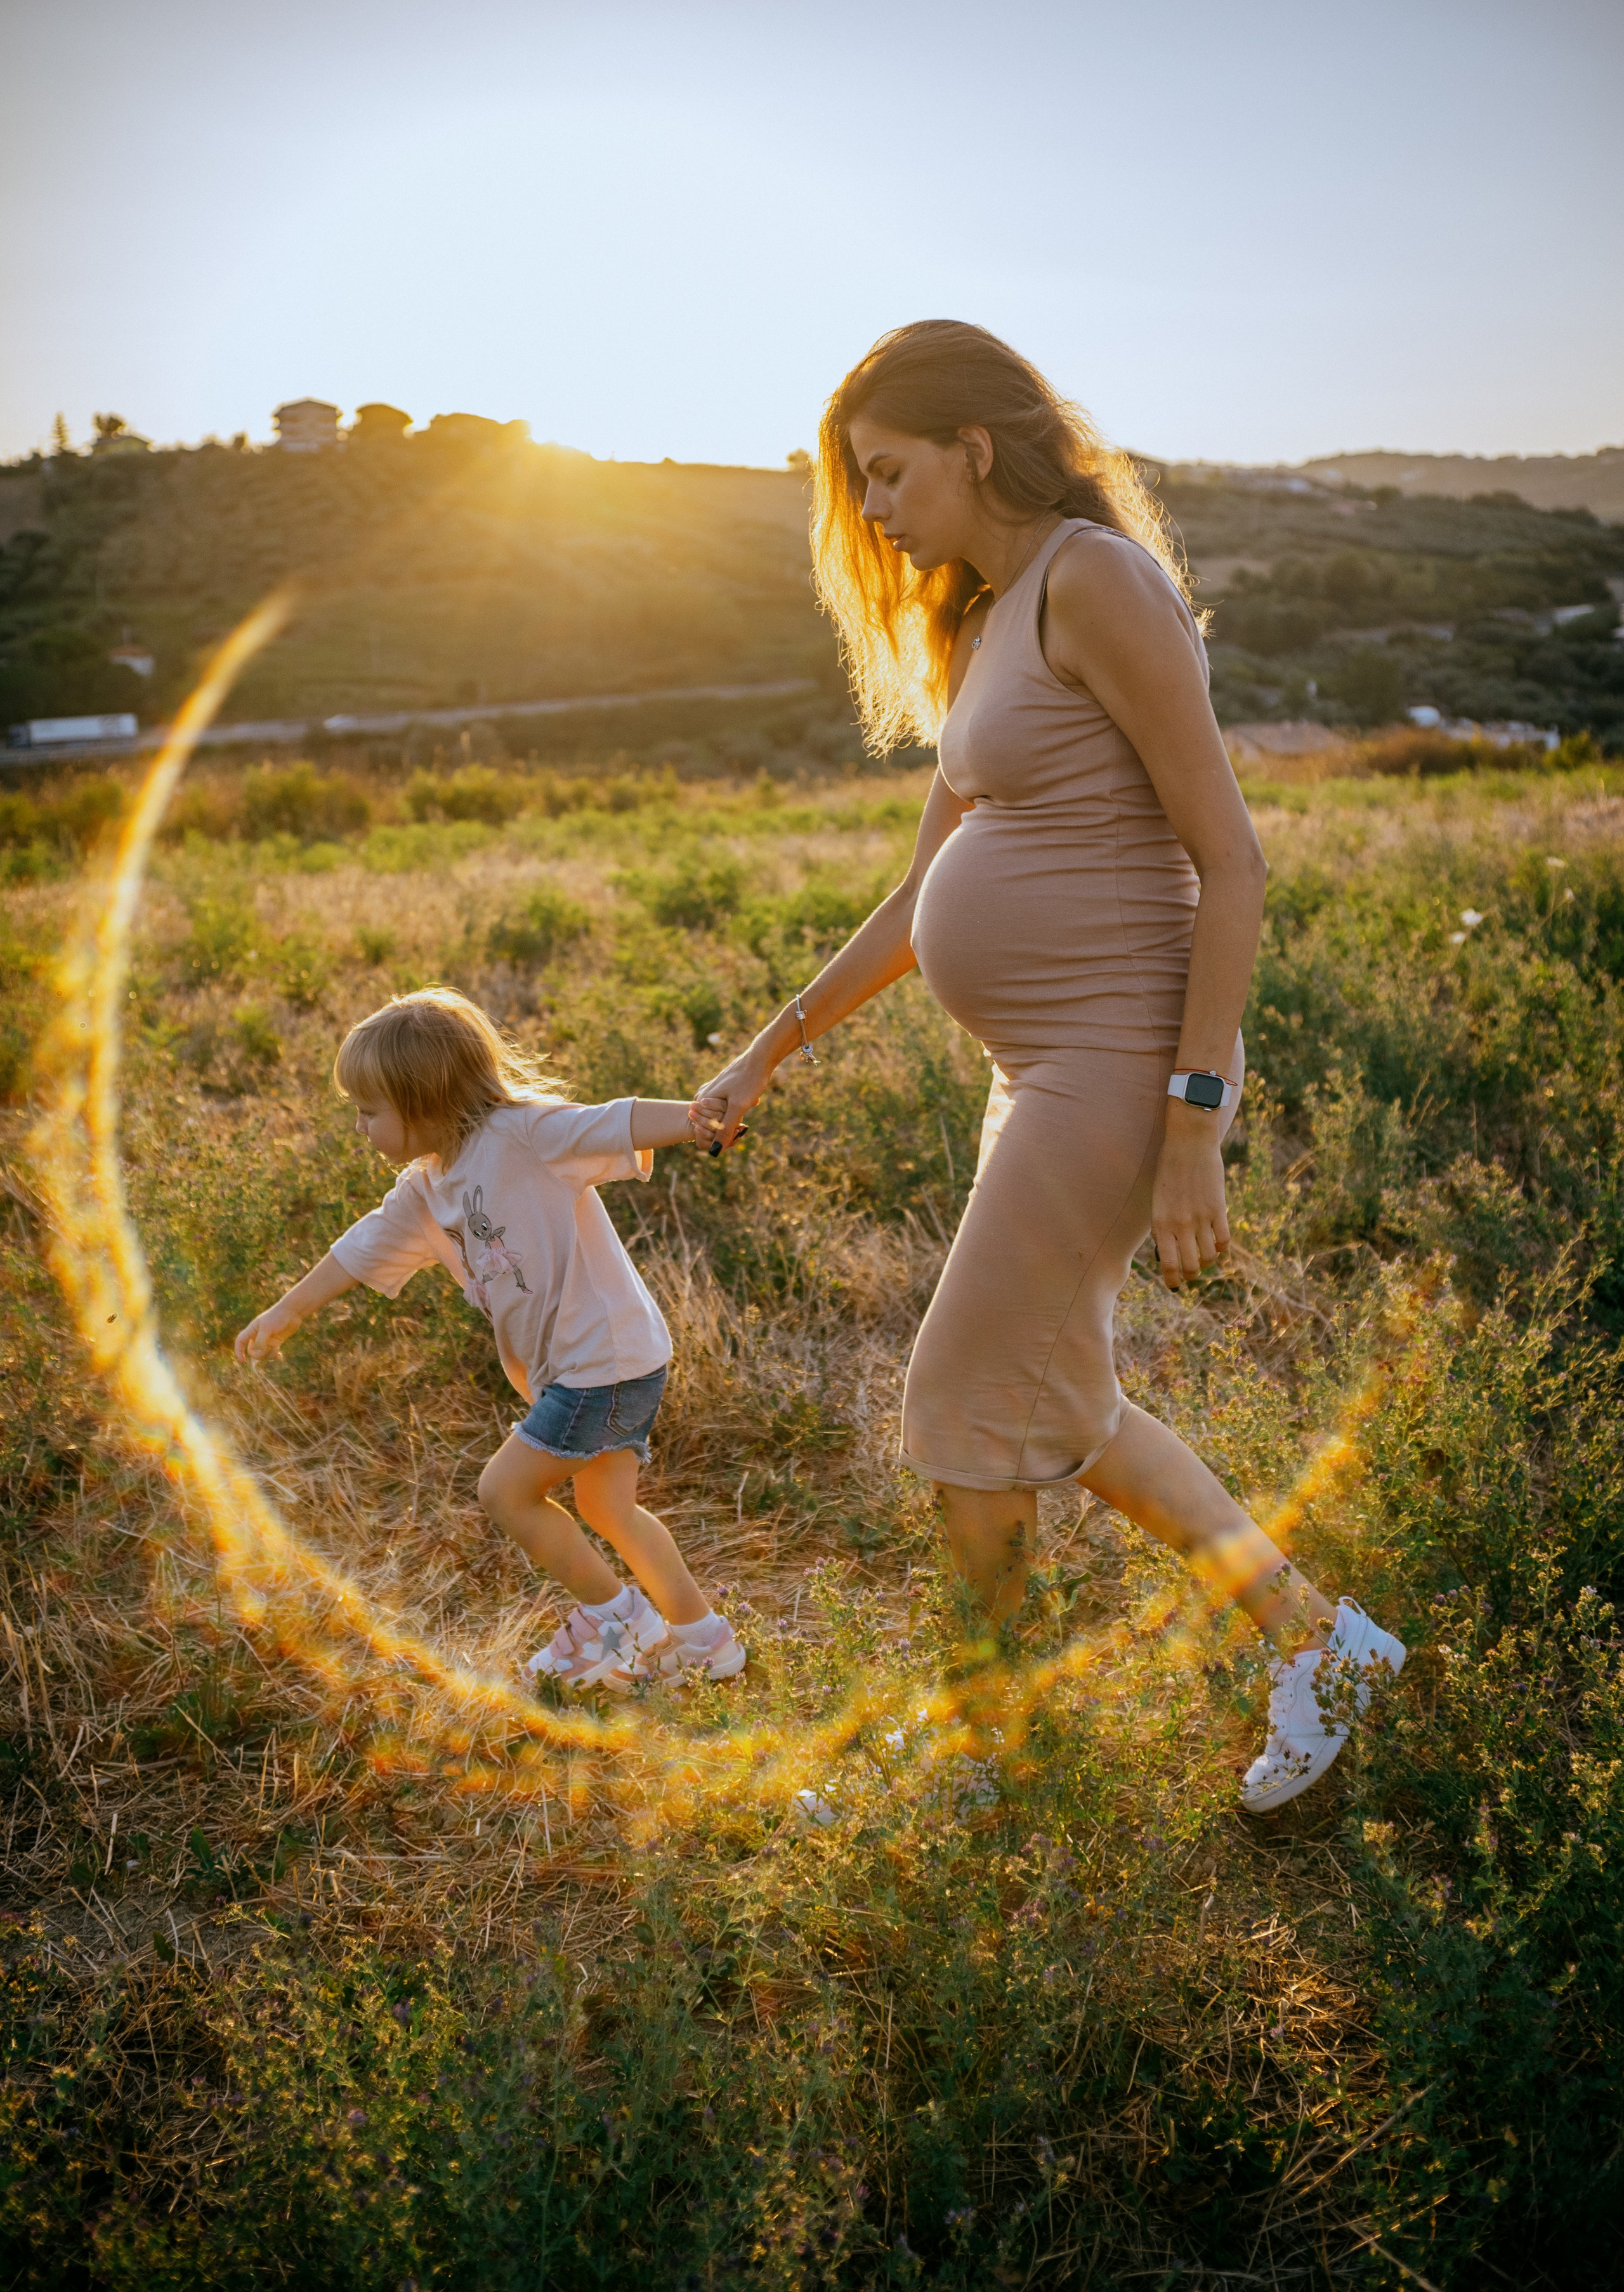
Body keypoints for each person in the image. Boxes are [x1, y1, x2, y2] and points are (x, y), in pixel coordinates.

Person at [693, 321, 1402, 1810]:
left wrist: (1192, 1120)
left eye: (886, 474)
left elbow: (1232, 861)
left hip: (1117, 1061)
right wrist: (764, 1053)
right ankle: (1318, 1639)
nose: (873, 513)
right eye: (856, 488)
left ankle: (993, 1749)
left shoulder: (1092, 579)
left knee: (962, 1393)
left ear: (973, 443)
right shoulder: (983, 619)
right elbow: (913, 901)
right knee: (1058, 1402)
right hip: (1036, 1068)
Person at [235, 987, 745, 1693]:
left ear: (425, 1102)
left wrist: (692, 1121)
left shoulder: (519, 1136)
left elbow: (605, 1123)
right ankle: (705, 1643)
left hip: (599, 1362)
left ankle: (617, 1621)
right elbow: (363, 1247)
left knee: (505, 1492)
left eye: (368, 1111)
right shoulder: (427, 1186)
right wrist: (289, 1309)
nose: (360, 1128)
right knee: (607, 1508)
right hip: (614, 1358)